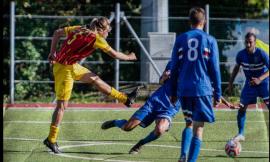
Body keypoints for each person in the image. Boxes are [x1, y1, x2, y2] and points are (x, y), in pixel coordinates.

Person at [43, 17, 140, 154]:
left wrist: (52, 52)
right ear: (101, 29)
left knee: (95, 80)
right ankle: (51, 139)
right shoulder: (96, 38)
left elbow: (57, 33)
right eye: (107, 31)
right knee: (62, 106)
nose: (107, 34)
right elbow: (115, 55)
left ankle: (126, 99)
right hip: (65, 70)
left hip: (70, 66)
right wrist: (130, 57)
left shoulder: (81, 28)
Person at [169, 7, 222, 162]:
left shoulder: (180, 39)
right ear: (204, 22)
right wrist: (217, 94)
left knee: (188, 123)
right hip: (202, 90)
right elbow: (215, 70)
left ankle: (182, 155)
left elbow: (173, 68)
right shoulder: (210, 40)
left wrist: (173, 92)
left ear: (189, 22)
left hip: (184, 90)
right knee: (198, 130)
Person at [101, 61, 181, 154]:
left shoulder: (194, 69)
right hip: (155, 102)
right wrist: (164, 77)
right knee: (128, 127)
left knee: (160, 130)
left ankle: (140, 144)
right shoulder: (173, 62)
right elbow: (161, 81)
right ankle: (116, 122)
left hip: (170, 108)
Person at [225, 32, 269, 142]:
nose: (248, 44)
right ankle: (240, 133)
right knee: (242, 107)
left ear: (255, 42)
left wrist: (259, 79)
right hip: (250, 85)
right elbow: (236, 69)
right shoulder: (241, 55)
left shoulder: (262, 54)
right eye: (247, 42)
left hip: (264, 84)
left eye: (251, 42)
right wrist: (230, 84)